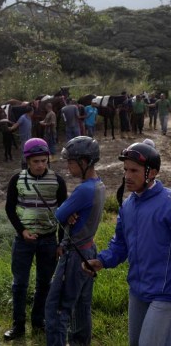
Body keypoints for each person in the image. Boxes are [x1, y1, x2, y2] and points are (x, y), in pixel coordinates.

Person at [84, 142, 171, 345]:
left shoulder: (168, 204)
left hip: (165, 293)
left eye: (134, 170)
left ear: (152, 172)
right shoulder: (128, 205)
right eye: (125, 170)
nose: (127, 176)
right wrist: (102, 261)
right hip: (137, 290)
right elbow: (120, 243)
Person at [3, 139, 68, 340]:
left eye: (43, 160)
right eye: (36, 161)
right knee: (20, 284)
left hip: (49, 242)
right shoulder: (17, 180)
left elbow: (64, 215)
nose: (40, 165)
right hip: (23, 242)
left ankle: (38, 321)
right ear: (27, 161)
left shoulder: (58, 181)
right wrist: (22, 231)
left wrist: (61, 243)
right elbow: (9, 208)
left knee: (44, 283)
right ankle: (18, 325)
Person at [45, 136, 105, 346]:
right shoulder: (99, 185)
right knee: (81, 305)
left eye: (71, 161)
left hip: (75, 255)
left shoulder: (83, 190)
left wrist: (67, 212)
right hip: (89, 251)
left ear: (85, 161)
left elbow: (59, 215)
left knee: (57, 308)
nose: (68, 165)